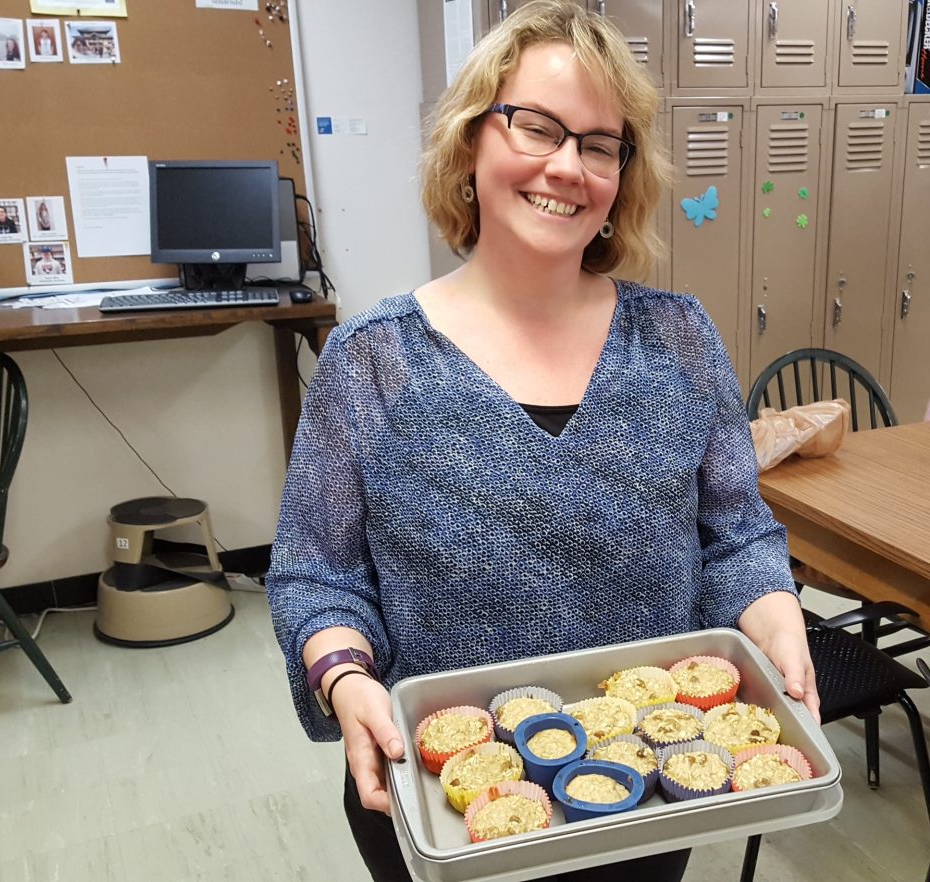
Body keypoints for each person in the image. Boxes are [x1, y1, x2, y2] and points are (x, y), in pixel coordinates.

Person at [266, 3, 819, 881]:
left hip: (636, 789)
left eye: (600, 144)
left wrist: (775, 608)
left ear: (620, 178)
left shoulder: (677, 340)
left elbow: (738, 533)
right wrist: (344, 677)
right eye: (536, 126)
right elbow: (314, 571)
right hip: (438, 799)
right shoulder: (374, 361)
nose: (568, 166)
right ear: (471, 144)